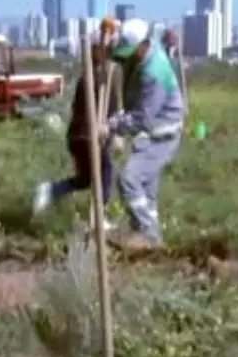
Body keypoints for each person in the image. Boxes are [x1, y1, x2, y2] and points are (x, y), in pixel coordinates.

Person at [104, 18, 184, 252]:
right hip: (150, 132)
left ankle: (147, 235)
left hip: (162, 134)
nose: (130, 57)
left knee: (129, 179)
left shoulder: (154, 74)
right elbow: (115, 57)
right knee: (146, 190)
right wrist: (107, 36)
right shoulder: (145, 49)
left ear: (145, 45)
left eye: (133, 52)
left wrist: (113, 126)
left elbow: (143, 118)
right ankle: (154, 243)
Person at [32, 43, 123, 225]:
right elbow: (111, 111)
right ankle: (99, 217)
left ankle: (50, 190)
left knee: (86, 179)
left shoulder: (86, 78)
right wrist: (116, 133)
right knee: (105, 172)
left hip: (76, 136)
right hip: (89, 137)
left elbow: (77, 108)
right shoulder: (102, 81)